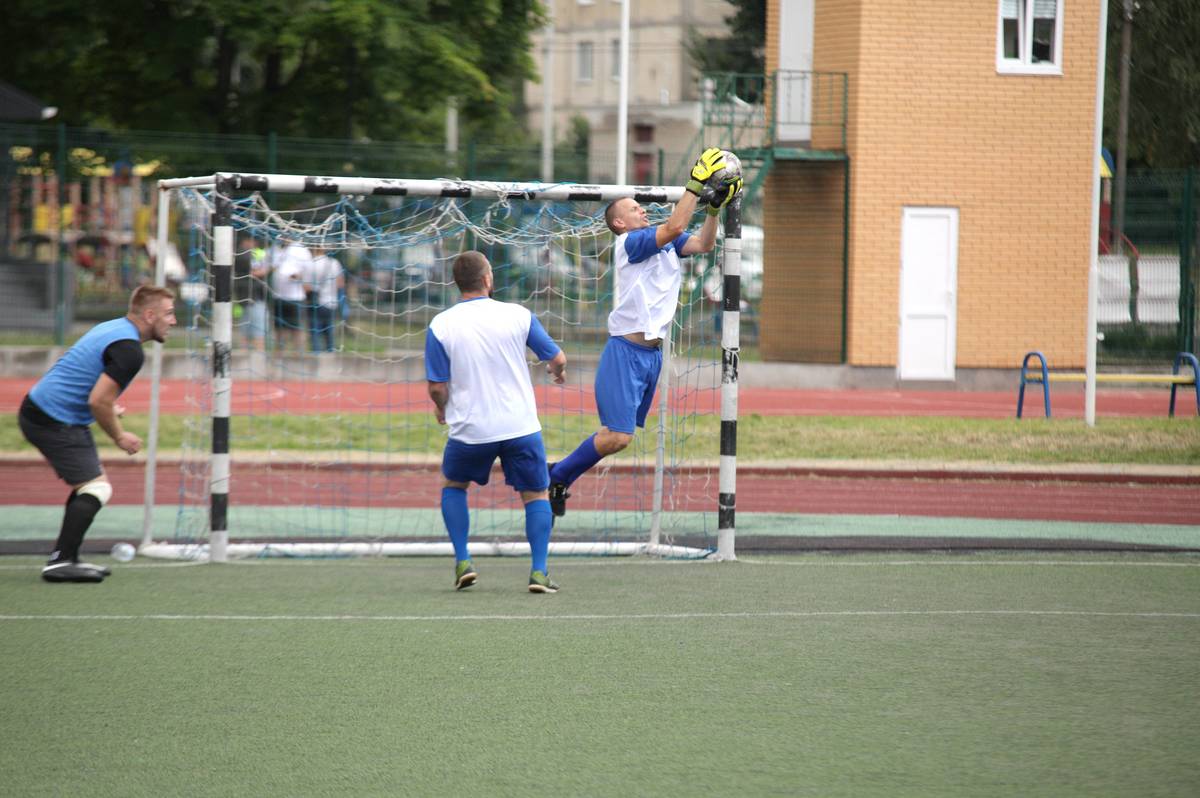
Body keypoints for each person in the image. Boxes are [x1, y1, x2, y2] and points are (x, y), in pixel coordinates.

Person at [547, 147, 741, 517]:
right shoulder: (630, 243)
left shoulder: (663, 244)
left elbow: (702, 243)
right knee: (618, 436)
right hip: (626, 351)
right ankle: (557, 474)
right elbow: (677, 226)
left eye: (640, 207)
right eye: (633, 209)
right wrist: (696, 184)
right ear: (619, 223)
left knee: (621, 439)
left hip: (652, 355)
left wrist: (713, 209)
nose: (641, 209)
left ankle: (559, 475)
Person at [425, 251, 568, 593]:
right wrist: (556, 371)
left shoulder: (441, 324)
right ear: (488, 279)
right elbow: (557, 357)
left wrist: (441, 407)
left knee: (453, 486)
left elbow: (436, 387)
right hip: (520, 426)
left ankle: (463, 561)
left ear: (457, 283)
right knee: (535, 495)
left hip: (471, 429)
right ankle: (538, 573)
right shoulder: (518, 315)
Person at [18, 285, 178, 583]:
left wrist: (106, 407)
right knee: (97, 489)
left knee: (88, 486)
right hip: (52, 419)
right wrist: (119, 436)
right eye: (169, 314)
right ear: (150, 314)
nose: (174, 321)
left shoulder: (114, 328)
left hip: (46, 410)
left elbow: (84, 375)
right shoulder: (129, 350)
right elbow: (98, 401)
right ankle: (61, 561)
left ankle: (67, 557)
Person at [271, 238, 311, 353]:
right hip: (278, 296)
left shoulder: (301, 250)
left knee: (297, 328)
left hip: (296, 297)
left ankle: (299, 354)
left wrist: (297, 276)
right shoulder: (275, 248)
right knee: (279, 329)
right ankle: (279, 354)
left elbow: (308, 271)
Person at [234, 234, 270, 352]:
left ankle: (244, 354)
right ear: (247, 241)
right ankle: (259, 355)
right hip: (252, 298)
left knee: (246, 329)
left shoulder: (241, 254)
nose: (255, 244)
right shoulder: (243, 255)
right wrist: (269, 268)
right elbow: (254, 272)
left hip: (246, 297)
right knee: (258, 329)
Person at [306, 245, 345, 353]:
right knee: (329, 331)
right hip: (331, 301)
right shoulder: (334, 263)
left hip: (315, 302)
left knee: (315, 332)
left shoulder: (310, 264)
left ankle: (316, 355)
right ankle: (330, 354)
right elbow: (340, 283)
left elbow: (306, 286)